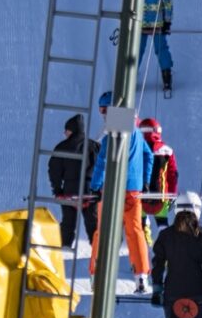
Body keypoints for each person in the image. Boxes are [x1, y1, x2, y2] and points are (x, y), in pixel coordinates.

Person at [87, 92, 154, 292]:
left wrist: (95, 186)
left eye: (104, 111)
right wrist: (145, 181)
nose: (103, 116)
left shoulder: (113, 134)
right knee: (135, 231)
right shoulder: (136, 131)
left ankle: (97, 275)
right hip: (133, 190)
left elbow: (102, 161)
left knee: (104, 232)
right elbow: (148, 155)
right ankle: (142, 276)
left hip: (111, 190)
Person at [48, 113, 99, 251]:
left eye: (66, 130)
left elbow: (54, 170)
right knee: (93, 222)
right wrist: (99, 188)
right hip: (90, 190)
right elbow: (102, 167)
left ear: (71, 130)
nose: (65, 133)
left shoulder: (61, 147)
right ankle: (98, 250)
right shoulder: (94, 146)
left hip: (69, 190)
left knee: (68, 222)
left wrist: (57, 189)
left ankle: (65, 246)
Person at [139, 116, 178, 233]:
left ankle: (144, 248)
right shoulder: (167, 150)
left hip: (140, 196)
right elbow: (173, 175)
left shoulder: (138, 148)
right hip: (161, 197)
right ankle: (164, 248)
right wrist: (173, 194)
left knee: (140, 226)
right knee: (162, 224)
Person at [143, 0, 174, 94]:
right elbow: (168, 4)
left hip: (140, 25)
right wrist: (167, 22)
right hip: (158, 25)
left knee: (135, 51)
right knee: (161, 49)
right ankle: (166, 77)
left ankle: (128, 80)